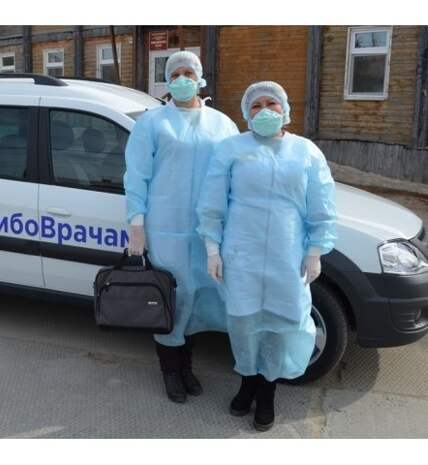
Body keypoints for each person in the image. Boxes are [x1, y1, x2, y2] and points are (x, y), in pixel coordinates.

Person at [196, 81, 337, 431]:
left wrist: (315, 251)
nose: (263, 111)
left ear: (284, 109)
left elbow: (321, 207)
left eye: (270, 104)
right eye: (255, 106)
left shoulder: (305, 152)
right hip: (241, 254)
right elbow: (212, 203)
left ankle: (267, 392)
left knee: (279, 325)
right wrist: (212, 248)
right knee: (243, 324)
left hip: (286, 256)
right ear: (246, 113)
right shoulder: (231, 149)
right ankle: (247, 383)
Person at [123, 51, 239, 403]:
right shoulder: (152, 122)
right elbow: (136, 175)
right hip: (165, 227)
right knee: (169, 299)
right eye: (175, 74)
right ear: (168, 80)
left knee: (198, 298)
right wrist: (137, 224)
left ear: (200, 78)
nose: (182, 79)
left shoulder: (222, 124)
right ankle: (170, 372)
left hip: (207, 230)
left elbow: (236, 175)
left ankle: (187, 367)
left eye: (189, 72)